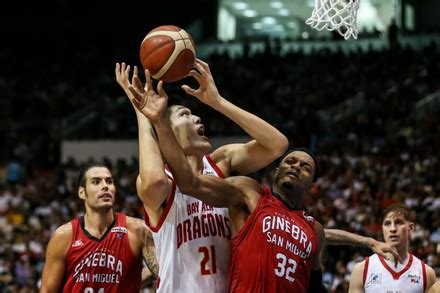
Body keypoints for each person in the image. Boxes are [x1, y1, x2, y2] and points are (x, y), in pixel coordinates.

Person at [121, 63, 400, 292]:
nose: (197, 119)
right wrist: (147, 116)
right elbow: (163, 181)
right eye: (185, 114)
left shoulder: (222, 164)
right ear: (165, 127)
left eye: (196, 115)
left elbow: (277, 146)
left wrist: (217, 101)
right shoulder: (165, 179)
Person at [40, 164, 158, 292]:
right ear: (82, 192)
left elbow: (165, 272)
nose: (105, 186)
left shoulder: (138, 230)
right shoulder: (63, 236)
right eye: (96, 182)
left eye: (109, 181)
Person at [348, 203, 437, 293]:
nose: (393, 229)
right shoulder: (362, 270)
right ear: (382, 229)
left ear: (411, 228)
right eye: (387, 224)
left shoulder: (426, 273)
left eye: (398, 222)